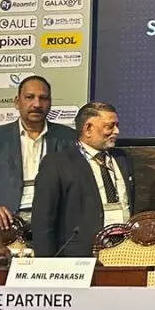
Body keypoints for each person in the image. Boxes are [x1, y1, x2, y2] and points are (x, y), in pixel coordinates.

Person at [0, 76, 77, 227]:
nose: (37, 104)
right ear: (17, 102)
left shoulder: (69, 138)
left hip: (57, 225)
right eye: (29, 97)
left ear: (50, 102)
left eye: (43, 98)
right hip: (7, 227)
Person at [32, 102, 135, 257]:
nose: (117, 131)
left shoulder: (123, 159)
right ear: (88, 129)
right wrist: (46, 263)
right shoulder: (57, 163)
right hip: (79, 256)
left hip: (125, 251)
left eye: (117, 126)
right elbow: (43, 220)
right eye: (110, 126)